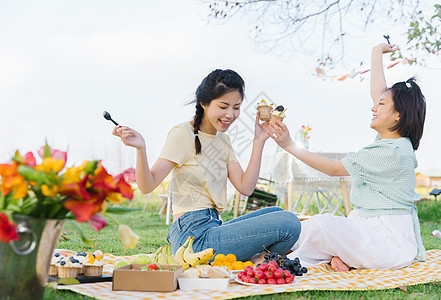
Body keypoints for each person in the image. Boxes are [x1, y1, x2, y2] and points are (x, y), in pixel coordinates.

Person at [266, 43, 427, 271]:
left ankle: (294, 257)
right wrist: (376, 52)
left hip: (388, 244)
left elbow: (333, 169)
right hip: (370, 230)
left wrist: (290, 145)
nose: (374, 108)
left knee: (321, 224)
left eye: (381, 105)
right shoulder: (396, 142)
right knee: (318, 224)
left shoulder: (390, 152)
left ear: (397, 117)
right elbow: (378, 92)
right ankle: (340, 256)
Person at [113, 69, 301, 260]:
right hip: (193, 238)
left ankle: (254, 261)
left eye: (236, 107)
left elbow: (246, 187)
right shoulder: (182, 133)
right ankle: (255, 260)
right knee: (289, 222)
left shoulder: (223, 140)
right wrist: (141, 149)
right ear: (204, 103)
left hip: (213, 227)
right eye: (223, 106)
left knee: (277, 212)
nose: (230, 114)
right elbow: (147, 185)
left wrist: (259, 140)